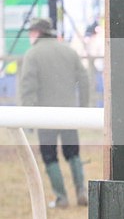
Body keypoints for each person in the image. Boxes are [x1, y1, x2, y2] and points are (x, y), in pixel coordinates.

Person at [18, 17, 91, 208]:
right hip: (69, 114)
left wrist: (29, 117)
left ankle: (61, 198)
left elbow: (28, 88)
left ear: (36, 32)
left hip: (45, 115)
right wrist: (82, 108)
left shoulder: (33, 54)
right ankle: (81, 191)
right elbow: (84, 80)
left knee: (50, 155)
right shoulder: (68, 50)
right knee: (73, 153)